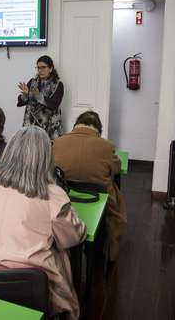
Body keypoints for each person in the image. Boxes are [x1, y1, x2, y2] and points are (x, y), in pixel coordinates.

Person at [0, 126, 86, 319]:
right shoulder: (52, 196)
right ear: (46, 158)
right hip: (27, 283)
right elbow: (73, 238)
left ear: (9, 151)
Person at [53, 110, 126, 261]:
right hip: (97, 197)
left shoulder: (58, 142)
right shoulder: (107, 146)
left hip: (65, 197)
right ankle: (104, 253)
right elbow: (116, 168)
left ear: (76, 125)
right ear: (98, 130)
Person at [17, 55, 64, 139]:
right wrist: (24, 94)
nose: (40, 70)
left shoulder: (58, 85)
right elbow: (21, 102)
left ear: (50, 69)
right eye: (38, 68)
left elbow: (54, 104)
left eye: (43, 67)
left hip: (49, 126)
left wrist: (37, 96)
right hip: (31, 126)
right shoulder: (32, 82)